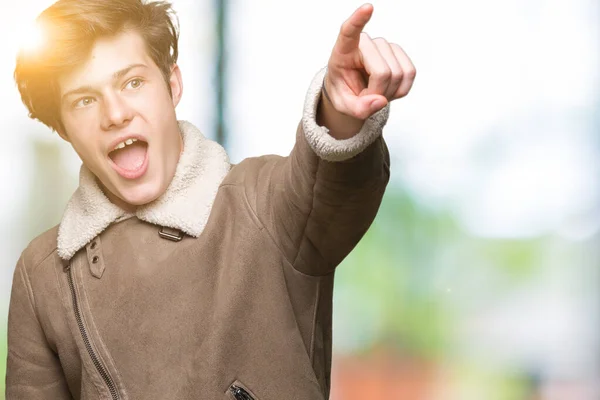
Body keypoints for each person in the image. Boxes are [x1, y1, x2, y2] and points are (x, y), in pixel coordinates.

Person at [5, 0, 416, 398]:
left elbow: (327, 187)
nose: (114, 114)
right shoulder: (42, 275)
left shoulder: (261, 202)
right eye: (84, 100)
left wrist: (340, 112)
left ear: (172, 86)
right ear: (63, 129)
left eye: (132, 82)